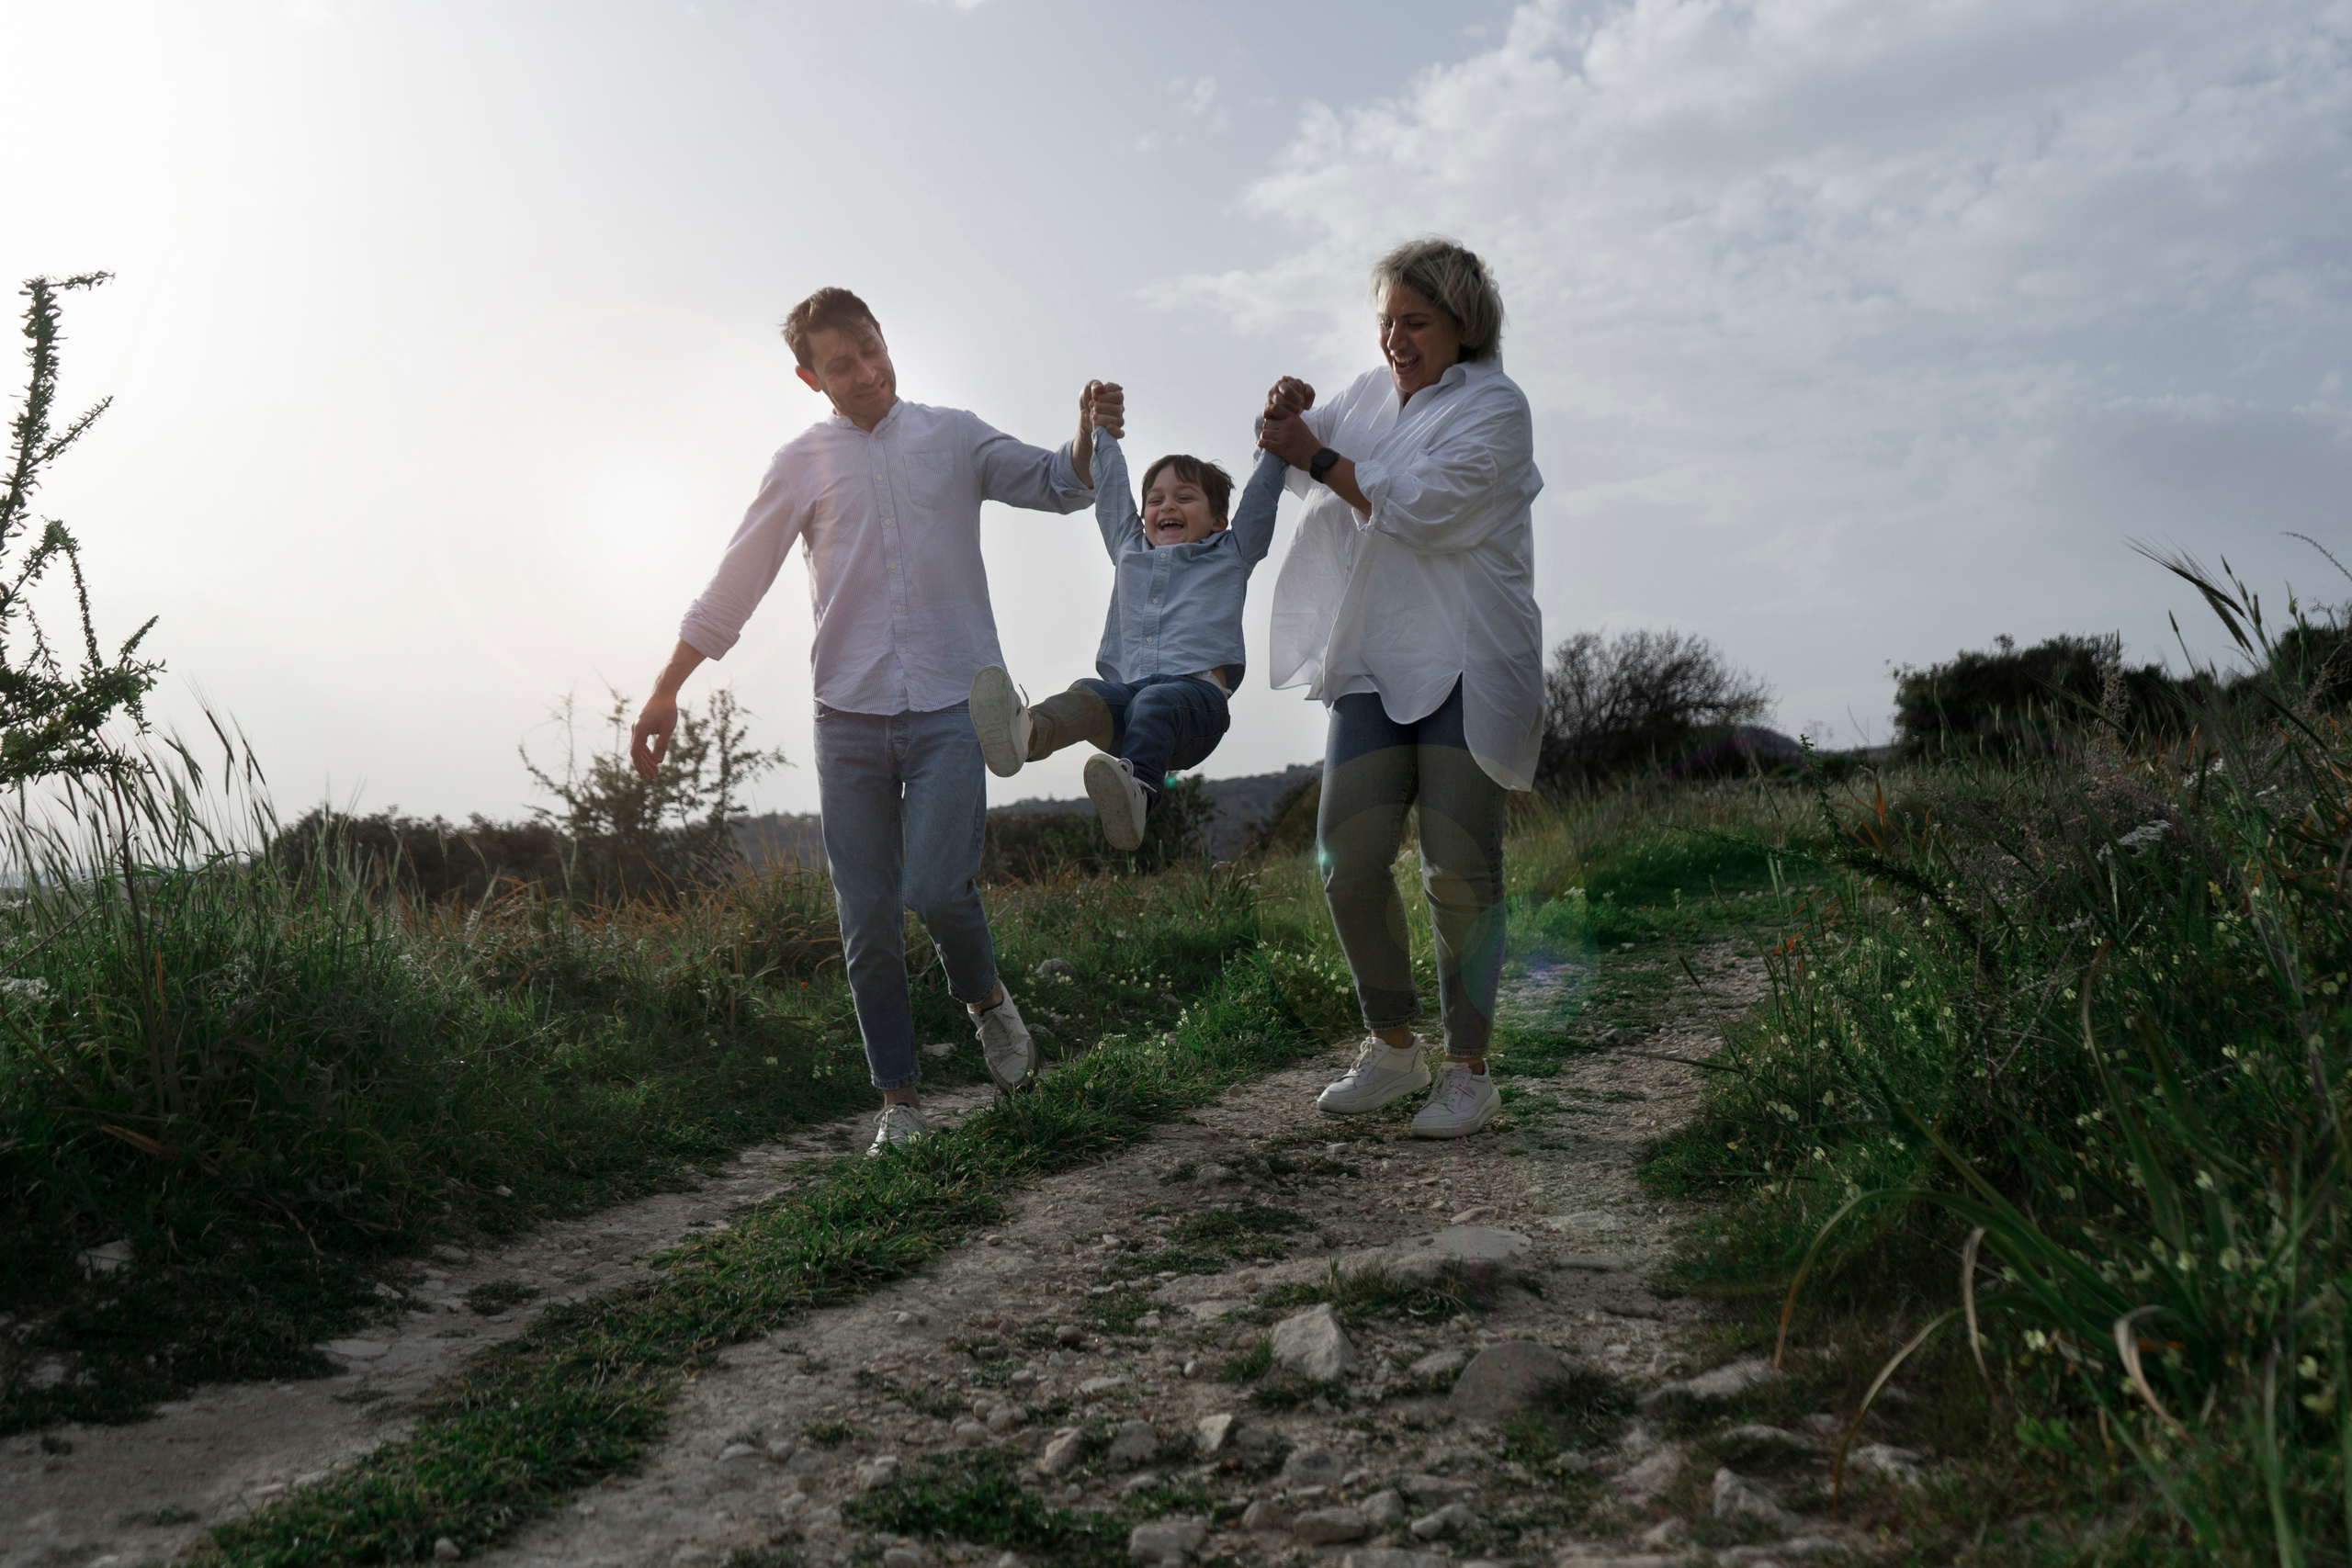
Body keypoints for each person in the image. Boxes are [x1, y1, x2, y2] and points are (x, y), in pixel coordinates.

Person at [628, 287, 1121, 1156]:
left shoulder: (952, 435)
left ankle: (988, 1002)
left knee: (935, 888)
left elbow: (1059, 481)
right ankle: (900, 1101)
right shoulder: (798, 463)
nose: (866, 371)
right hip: (847, 716)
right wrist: (669, 685)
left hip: (952, 707)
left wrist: (1088, 431)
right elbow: (736, 583)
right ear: (808, 375)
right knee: (867, 918)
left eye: (872, 348)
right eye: (841, 363)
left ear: (886, 338)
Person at [1255, 237, 1543, 1140]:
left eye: (1414, 322)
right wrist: (1280, 420)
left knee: (1459, 871)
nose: (1395, 339)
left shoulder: (1495, 407)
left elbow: (1423, 509)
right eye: (1386, 321)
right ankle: (1391, 1048)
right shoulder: (1366, 396)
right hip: (1373, 655)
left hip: (1464, 656)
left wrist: (1319, 456)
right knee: (1347, 859)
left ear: (1462, 324)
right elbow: (1296, 457)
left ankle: (1468, 1072)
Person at [968, 386, 1286, 852]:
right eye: (1155, 500)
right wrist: (1100, 430)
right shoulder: (1130, 548)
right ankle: (1025, 734)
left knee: (1156, 699)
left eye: (1185, 497)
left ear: (1219, 519)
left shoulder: (1232, 551)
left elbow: (1261, 497)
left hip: (1196, 708)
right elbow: (1113, 490)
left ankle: (1138, 794)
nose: (1167, 507)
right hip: (1128, 706)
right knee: (1088, 695)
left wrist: (1273, 442)